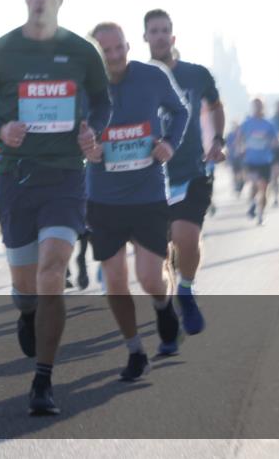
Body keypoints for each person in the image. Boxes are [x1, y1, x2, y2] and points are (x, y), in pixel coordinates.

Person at [0, 0, 111, 415]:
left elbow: (103, 102)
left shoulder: (83, 52)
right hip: (16, 178)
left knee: (53, 272)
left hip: (66, 176)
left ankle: (43, 381)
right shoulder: (1, 51)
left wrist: (95, 132)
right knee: (26, 286)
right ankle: (27, 312)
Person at [85, 22, 189, 378]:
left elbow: (181, 111)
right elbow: (67, 129)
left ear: (129, 45)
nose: (115, 58)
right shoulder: (83, 85)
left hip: (146, 192)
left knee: (148, 278)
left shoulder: (152, 76)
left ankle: (163, 306)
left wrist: (169, 144)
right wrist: (86, 147)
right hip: (103, 197)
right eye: (106, 52)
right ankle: (134, 350)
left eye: (119, 49)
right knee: (114, 280)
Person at [143, 9, 225, 336]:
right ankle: (166, 309)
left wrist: (218, 139)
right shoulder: (136, 77)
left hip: (191, 170)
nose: (160, 36)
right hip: (149, 178)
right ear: (145, 38)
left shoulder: (196, 75)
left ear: (172, 37)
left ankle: (186, 290)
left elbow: (216, 106)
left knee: (186, 237)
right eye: (154, 31)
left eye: (165, 30)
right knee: (160, 251)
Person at [239, 98, 279, 226]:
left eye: (259, 106)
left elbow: (275, 141)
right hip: (251, 160)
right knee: (254, 184)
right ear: (252, 107)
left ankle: (260, 214)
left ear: (263, 107)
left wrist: (272, 143)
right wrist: (241, 148)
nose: (257, 108)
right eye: (255, 106)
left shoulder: (269, 124)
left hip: (265, 160)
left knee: (263, 188)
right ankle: (252, 204)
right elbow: (240, 138)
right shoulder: (247, 123)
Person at [225, 122, 245, 197]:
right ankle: (237, 186)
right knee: (235, 174)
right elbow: (227, 147)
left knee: (241, 174)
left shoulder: (242, 135)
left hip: (241, 158)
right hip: (233, 158)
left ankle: (239, 186)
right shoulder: (230, 135)